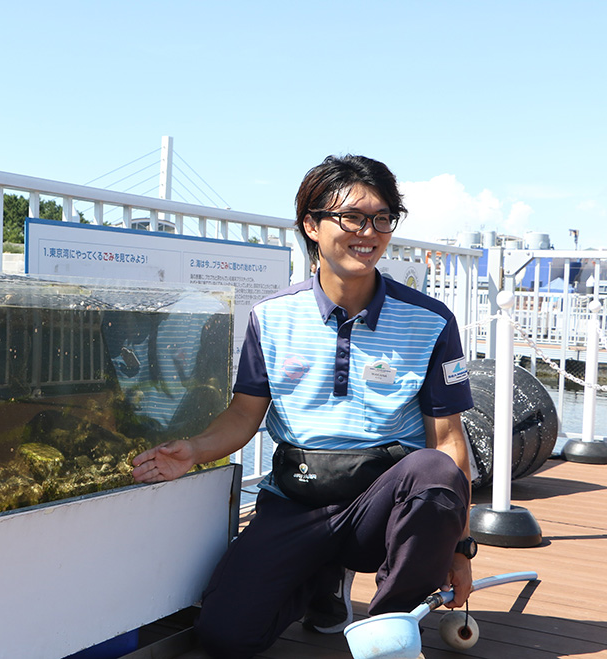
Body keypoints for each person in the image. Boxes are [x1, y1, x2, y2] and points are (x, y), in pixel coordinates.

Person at [131, 155, 475, 659]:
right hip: (298, 499)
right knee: (226, 636)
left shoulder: (430, 319)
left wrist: (460, 549)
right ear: (311, 225)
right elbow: (243, 414)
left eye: (382, 218)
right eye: (352, 217)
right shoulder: (271, 317)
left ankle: (388, 630)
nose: (369, 232)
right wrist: (194, 449)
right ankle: (320, 578)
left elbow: (448, 441)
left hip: (383, 505)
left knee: (434, 470)